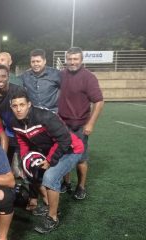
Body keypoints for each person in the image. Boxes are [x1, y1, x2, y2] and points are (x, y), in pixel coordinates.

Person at [10, 90, 84, 233]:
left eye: (22, 105)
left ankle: (53, 217)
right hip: (51, 149)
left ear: (29, 105)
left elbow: (65, 140)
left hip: (71, 149)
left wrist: (49, 161)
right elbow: (22, 139)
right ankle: (48, 203)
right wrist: (26, 159)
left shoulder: (45, 116)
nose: (18, 109)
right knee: (32, 170)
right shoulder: (15, 121)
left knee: (50, 176)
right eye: (15, 106)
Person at [58, 47, 104, 199]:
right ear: (66, 60)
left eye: (75, 59)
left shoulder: (88, 77)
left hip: (80, 125)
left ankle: (81, 186)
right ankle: (66, 183)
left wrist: (91, 123)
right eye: (70, 59)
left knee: (81, 158)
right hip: (63, 124)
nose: (72, 62)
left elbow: (99, 101)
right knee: (64, 156)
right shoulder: (62, 75)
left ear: (81, 60)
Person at [0, 65, 25, 171]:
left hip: (21, 129)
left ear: (8, 76)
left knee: (19, 167)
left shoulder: (18, 91)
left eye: (3, 76)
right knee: (7, 163)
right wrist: (1, 131)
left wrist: (21, 131)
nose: (0, 79)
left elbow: (25, 112)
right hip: (8, 128)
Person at [18, 49, 61, 113]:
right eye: (33, 62)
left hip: (52, 113)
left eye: (38, 61)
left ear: (44, 61)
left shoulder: (55, 74)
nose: (35, 64)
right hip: (33, 114)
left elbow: (67, 90)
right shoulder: (25, 76)